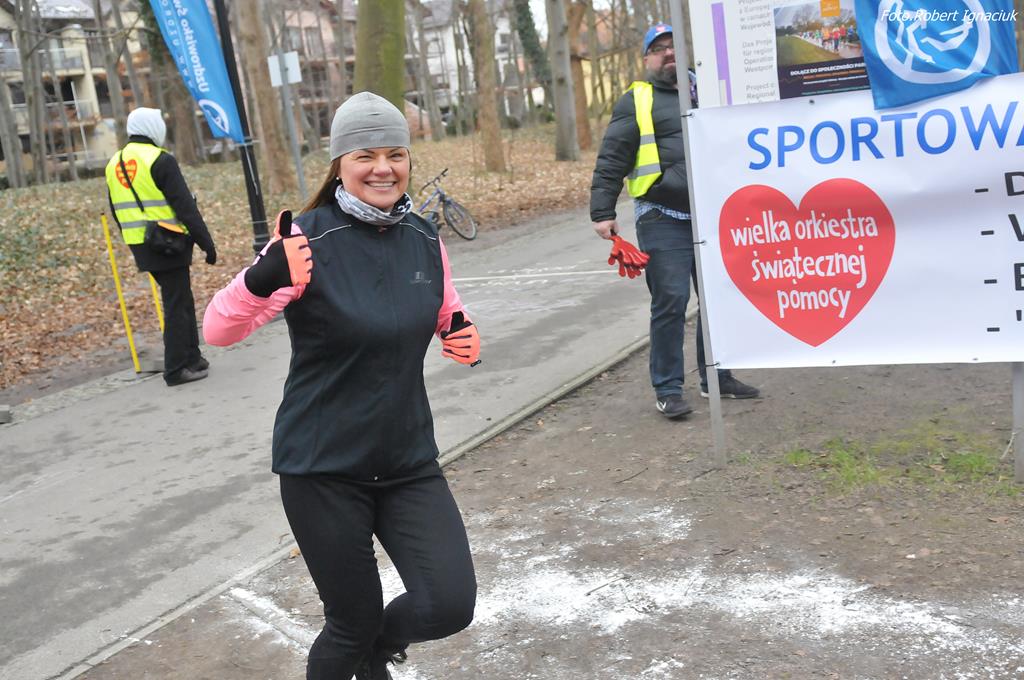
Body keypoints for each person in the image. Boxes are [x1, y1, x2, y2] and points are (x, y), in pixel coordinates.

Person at [202, 92, 478, 680]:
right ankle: (362, 652)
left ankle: (375, 654)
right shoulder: (305, 241)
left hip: (406, 459)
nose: (383, 168)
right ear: (339, 165)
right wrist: (261, 277)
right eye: (365, 155)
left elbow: (443, 303)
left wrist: (458, 325)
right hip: (323, 466)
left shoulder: (424, 236)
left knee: (449, 603)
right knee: (352, 622)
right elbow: (219, 330)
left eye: (395, 154)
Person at [589, 23, 760, 420]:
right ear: (646, 58)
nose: (668, 53)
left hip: (713, 214)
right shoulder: (637, 100)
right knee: (671, 301)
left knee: (717, 298)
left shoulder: (711, 92)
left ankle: (716, 376)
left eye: (674, 46)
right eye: (659, 48)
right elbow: (612, 156)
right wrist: (602, 211)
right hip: (662, 215)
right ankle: (667, 389)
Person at [104, 107, 217, 387]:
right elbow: (185, 206)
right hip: (169, 241)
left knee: (181, 297)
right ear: (153, 128)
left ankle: (192, 357)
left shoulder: (114, 162)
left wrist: (134, 239)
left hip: (140, 243)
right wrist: (206, 243)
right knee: (176, 303)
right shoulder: (160, 159)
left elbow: (117, 210)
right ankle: (176, 368)